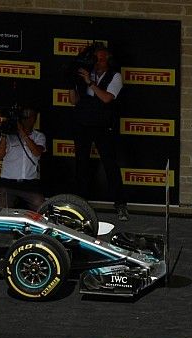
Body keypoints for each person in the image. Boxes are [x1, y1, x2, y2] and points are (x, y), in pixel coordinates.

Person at [69, 44, 128, 221]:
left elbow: (107, 98)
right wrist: (72, 83)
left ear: (108, 59)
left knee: (110, 164)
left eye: (102, 58)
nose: (99, 62)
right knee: (81, 164)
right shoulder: (85, 73)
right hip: (82, 124)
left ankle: (120, 204)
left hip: (103, 126)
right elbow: (74, 101)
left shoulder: (115, 75)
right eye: (96, 58)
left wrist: (90, 82)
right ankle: (79, 206)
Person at [0, 106, 47, 211]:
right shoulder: (9, 135)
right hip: (8, 184)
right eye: (24, 117)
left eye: (30, 117)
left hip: (30, 185)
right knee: (2, 206)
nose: (27, 119)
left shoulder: (39, 136)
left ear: (34, 119)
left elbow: (37, 152)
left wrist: (22, 132)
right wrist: (4, 134)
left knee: (41, 205)